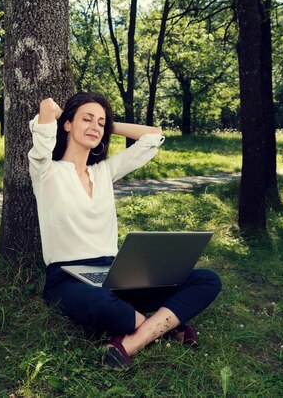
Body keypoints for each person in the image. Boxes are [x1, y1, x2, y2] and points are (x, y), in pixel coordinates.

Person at [28, 92, 221, 369]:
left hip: (115, 275)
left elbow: (152, 136)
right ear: (67, 125)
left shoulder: (104, 172)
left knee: (207, 279)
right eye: (86, 119)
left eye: (101, 122)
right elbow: (45, 119)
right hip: (67, 278)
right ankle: (164, 327)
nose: (95, 126)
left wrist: (108, 125)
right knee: (104, 305)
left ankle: (131, 342)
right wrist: (55, 113)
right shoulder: (46, 172)